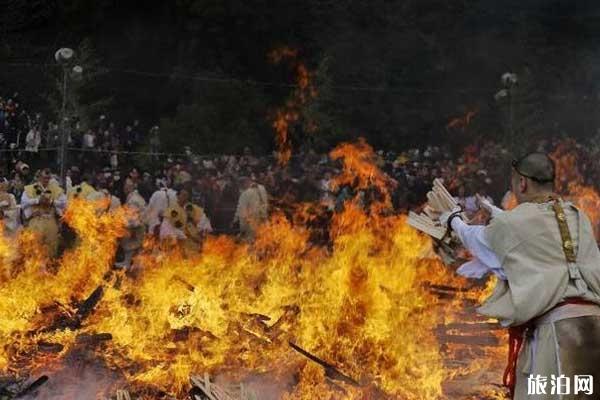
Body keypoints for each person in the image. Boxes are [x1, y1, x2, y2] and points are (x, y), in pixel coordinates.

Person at [441, 152, 600, 399]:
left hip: (558, 335)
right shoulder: (576, 216)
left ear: (522, 183)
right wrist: (496, 213)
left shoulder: (517, 221)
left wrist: (454, 223)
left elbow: (485, 242)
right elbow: (539, 237)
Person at [21, 169, 67, 257]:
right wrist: (37, 200)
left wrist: (52, 202)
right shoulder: (30, 189)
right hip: (36, 221)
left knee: (51, 248)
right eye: (44, 178)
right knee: (35, 247)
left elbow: (64, 203)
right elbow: (24, 202)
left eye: (48, 178)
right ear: (39, 178)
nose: (46, 180)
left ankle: (48, 267)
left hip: (50, 221)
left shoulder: (56, 189)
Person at [117, 179, 147, 268]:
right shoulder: (134, 197)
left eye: (126, 186)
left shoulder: (133, 199)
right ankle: (135, 265)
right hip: (139, 224)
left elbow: (132, 216)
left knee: (130, 244)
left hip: (137, 226)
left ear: (130, 187)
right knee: (136, 246)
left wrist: (125, 225)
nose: (124, 188)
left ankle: (128, 264)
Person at [232, 176, 268, 241]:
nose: (241, 189)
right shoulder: (262, 188)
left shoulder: (245, 194)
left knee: (251, 242)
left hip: (251, 223)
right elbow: (265, 203)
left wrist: (240, 226)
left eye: (241, 186)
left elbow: (241, 211)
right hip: (263, 220)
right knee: (261, 241)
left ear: (244, 184)